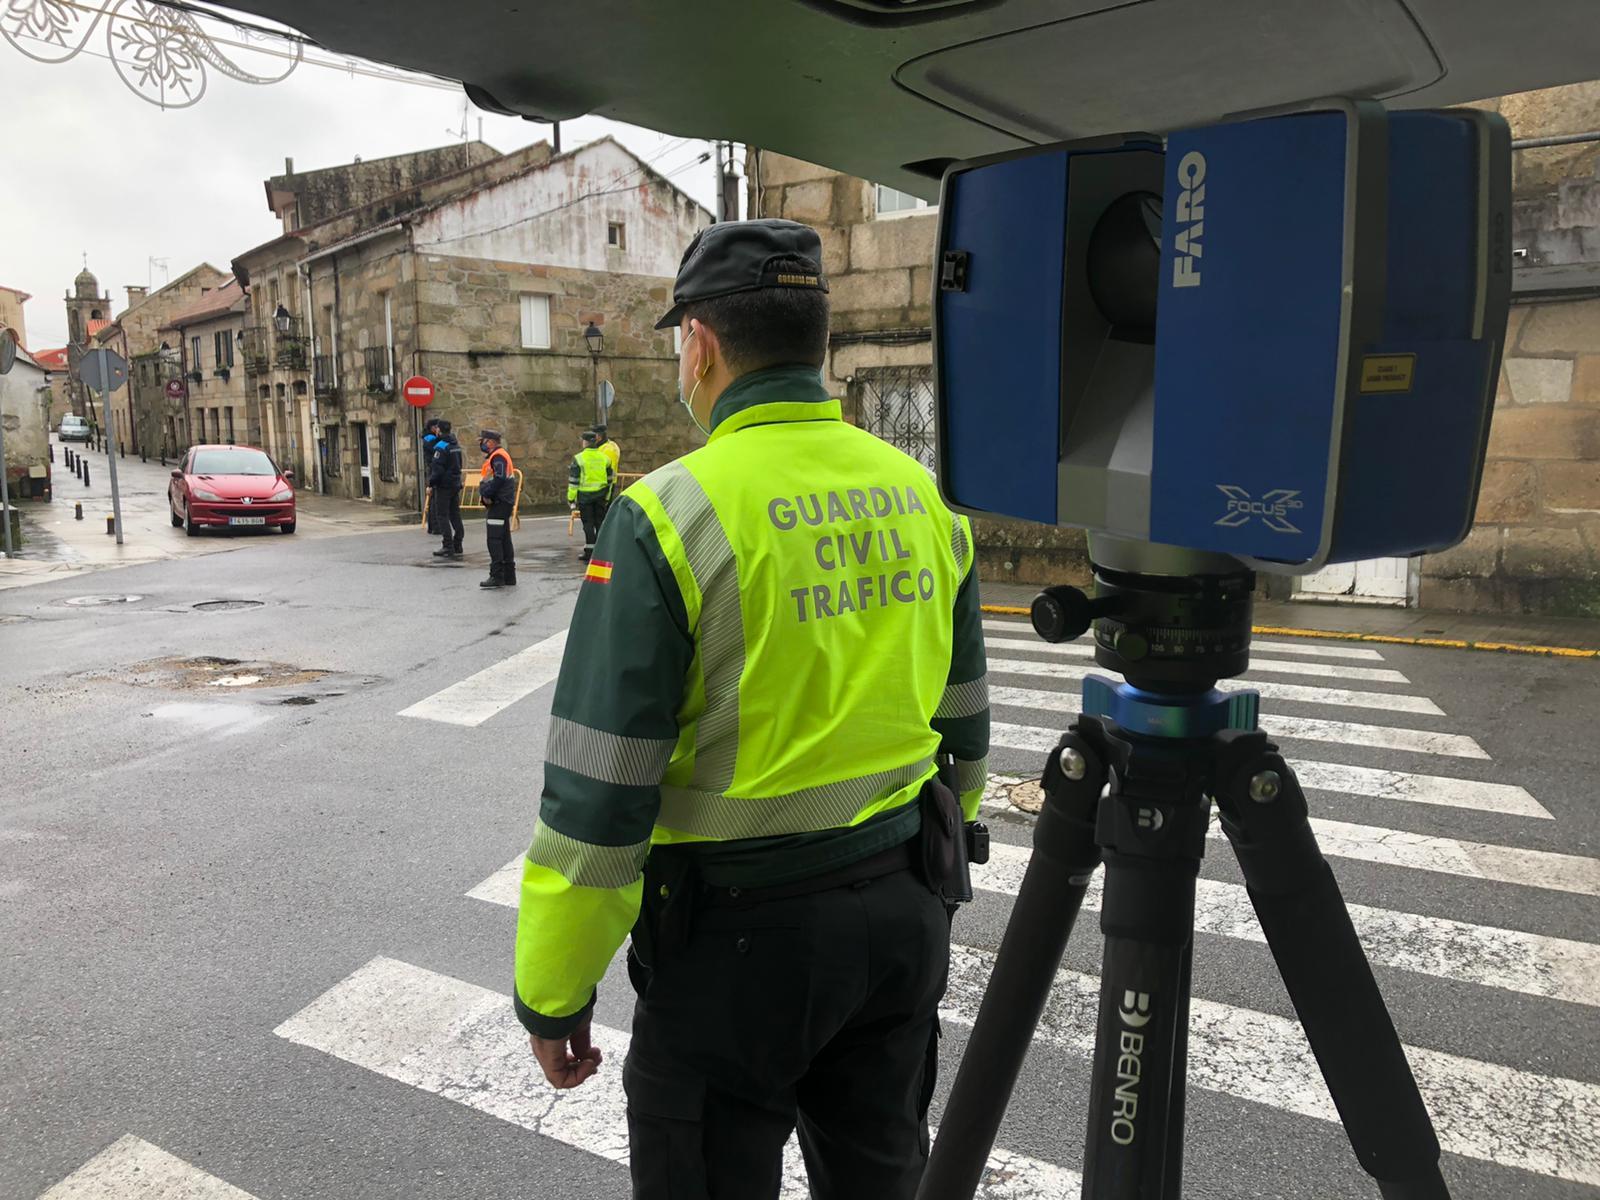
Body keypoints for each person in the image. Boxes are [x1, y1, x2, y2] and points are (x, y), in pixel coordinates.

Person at [512, 218, 990, 1199]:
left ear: (700, 343)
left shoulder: (664, 516)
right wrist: (944, 852)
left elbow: (601, 796)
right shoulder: (923, 498)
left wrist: (554, 993)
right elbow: (965, 730)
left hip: (736, 951)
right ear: (816, 344)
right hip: (903, 916)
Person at [567, 429, 616, 562]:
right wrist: (607, 496)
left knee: (588, 524)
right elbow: (610, 479)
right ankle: (601, 551)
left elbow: (574, 481)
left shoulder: (579, 459)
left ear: (585, 442)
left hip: (585, 496)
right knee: (600, 522)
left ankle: (589, 552)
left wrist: (571, 498)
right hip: (601, 495)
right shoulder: (605, 458)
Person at [477, 428, 516, 589]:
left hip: (498, 502)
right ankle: (508, 576)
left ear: (491, 442)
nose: (481, 444)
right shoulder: (499, 455)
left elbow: (498, 478)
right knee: (504, 538)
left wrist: (487, 493)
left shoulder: (498, 456)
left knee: (494, 540)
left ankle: (497, 576)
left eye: (483, 441)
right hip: (503, 501)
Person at [430, 419, 465, 560]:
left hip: (444, 486)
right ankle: (458, 544)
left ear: (439, 430)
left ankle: (448, 546)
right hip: (455, 484)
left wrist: (431, 483)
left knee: (442, 515)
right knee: (455, 514)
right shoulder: (455, 445)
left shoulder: (441, 446)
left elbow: (437, 470)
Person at [421, 418, 443, 536]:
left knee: (433, 499)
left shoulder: (429, 438)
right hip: (433, 469)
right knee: (434, 499)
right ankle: (435, 525)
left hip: (432, 468)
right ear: (432, 428)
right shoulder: (431, 439)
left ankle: (432, 526)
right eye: (436, 427)